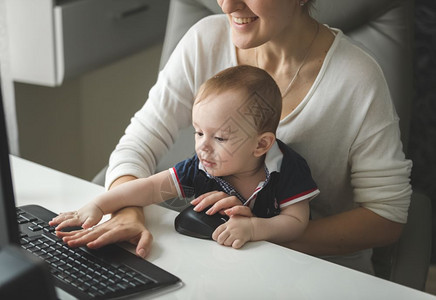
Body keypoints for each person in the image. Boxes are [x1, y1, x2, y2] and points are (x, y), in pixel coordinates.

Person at [50, 0, 412, 274]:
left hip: (316, 271)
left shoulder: (357, 78)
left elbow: (386, 216)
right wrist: (128, 212)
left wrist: (259, 231)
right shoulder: (205, 40)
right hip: (212, 257)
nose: (227, 4)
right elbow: (137, 145)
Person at [51, 65, 320, 249]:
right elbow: (150, 188)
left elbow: (297, 222)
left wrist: (253, 230)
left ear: (261, 144)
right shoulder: (200, 167)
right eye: (199, 132)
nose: (203, 146)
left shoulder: (287, 167)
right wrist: (100, 205)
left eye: (220, 138)